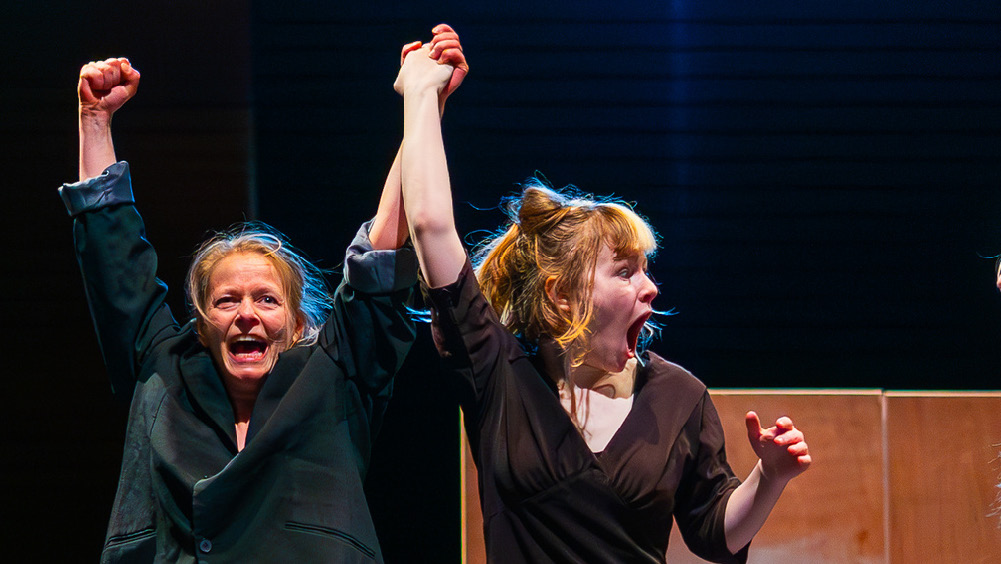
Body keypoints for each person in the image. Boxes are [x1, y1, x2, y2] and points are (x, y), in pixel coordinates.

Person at [393, 27, 811, 563]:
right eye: (625, 272)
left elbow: (714, 532)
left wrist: (769, 476)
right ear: (562, 296)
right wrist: (424, 94)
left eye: (646, 268)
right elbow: (429, 226)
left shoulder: (678, 397)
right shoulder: (499, 375)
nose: (650, 286)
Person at [60, 28, 465, 563]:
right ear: (201, 324)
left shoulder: (333, 375)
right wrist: (95, 121)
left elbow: (381, 254)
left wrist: (424, 107)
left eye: (267, 301)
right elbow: (116, 270)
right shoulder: (165, 369)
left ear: (298, 324)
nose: (246, 314)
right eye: (226, 301)